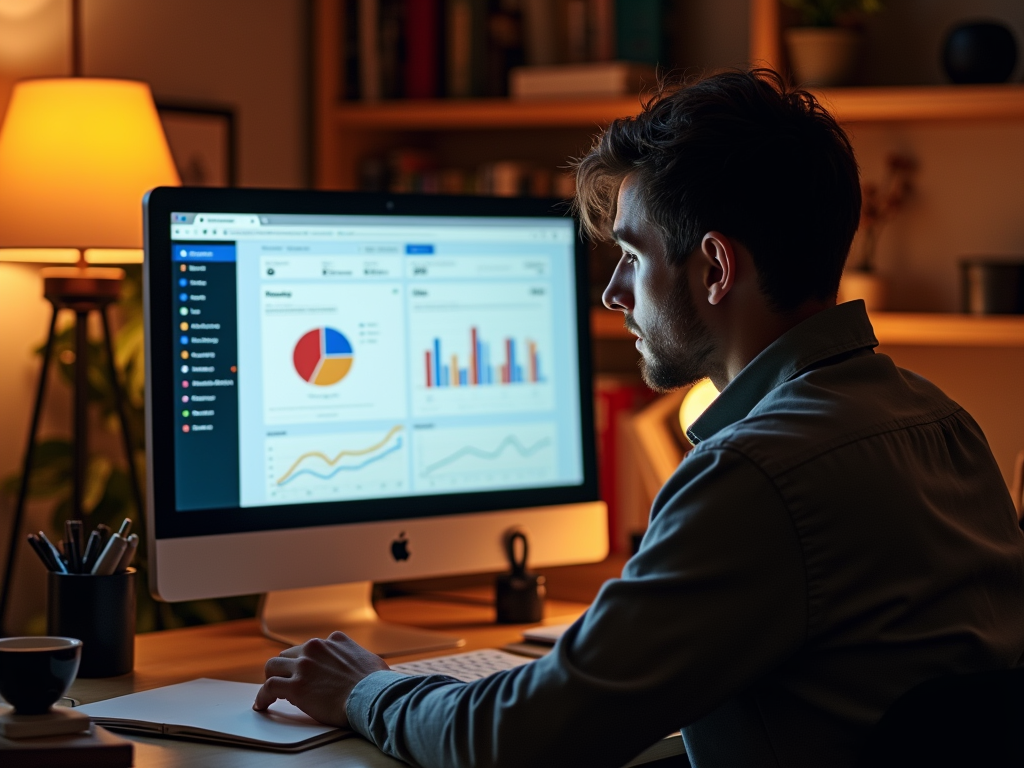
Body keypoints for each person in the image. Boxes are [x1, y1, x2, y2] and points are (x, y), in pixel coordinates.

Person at [253, 69, 1024, 768]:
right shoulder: (943, 423)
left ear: (715, 268)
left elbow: (513, 741)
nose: (614, 293)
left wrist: (365, 690)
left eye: (632, 253)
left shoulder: (753, 476)